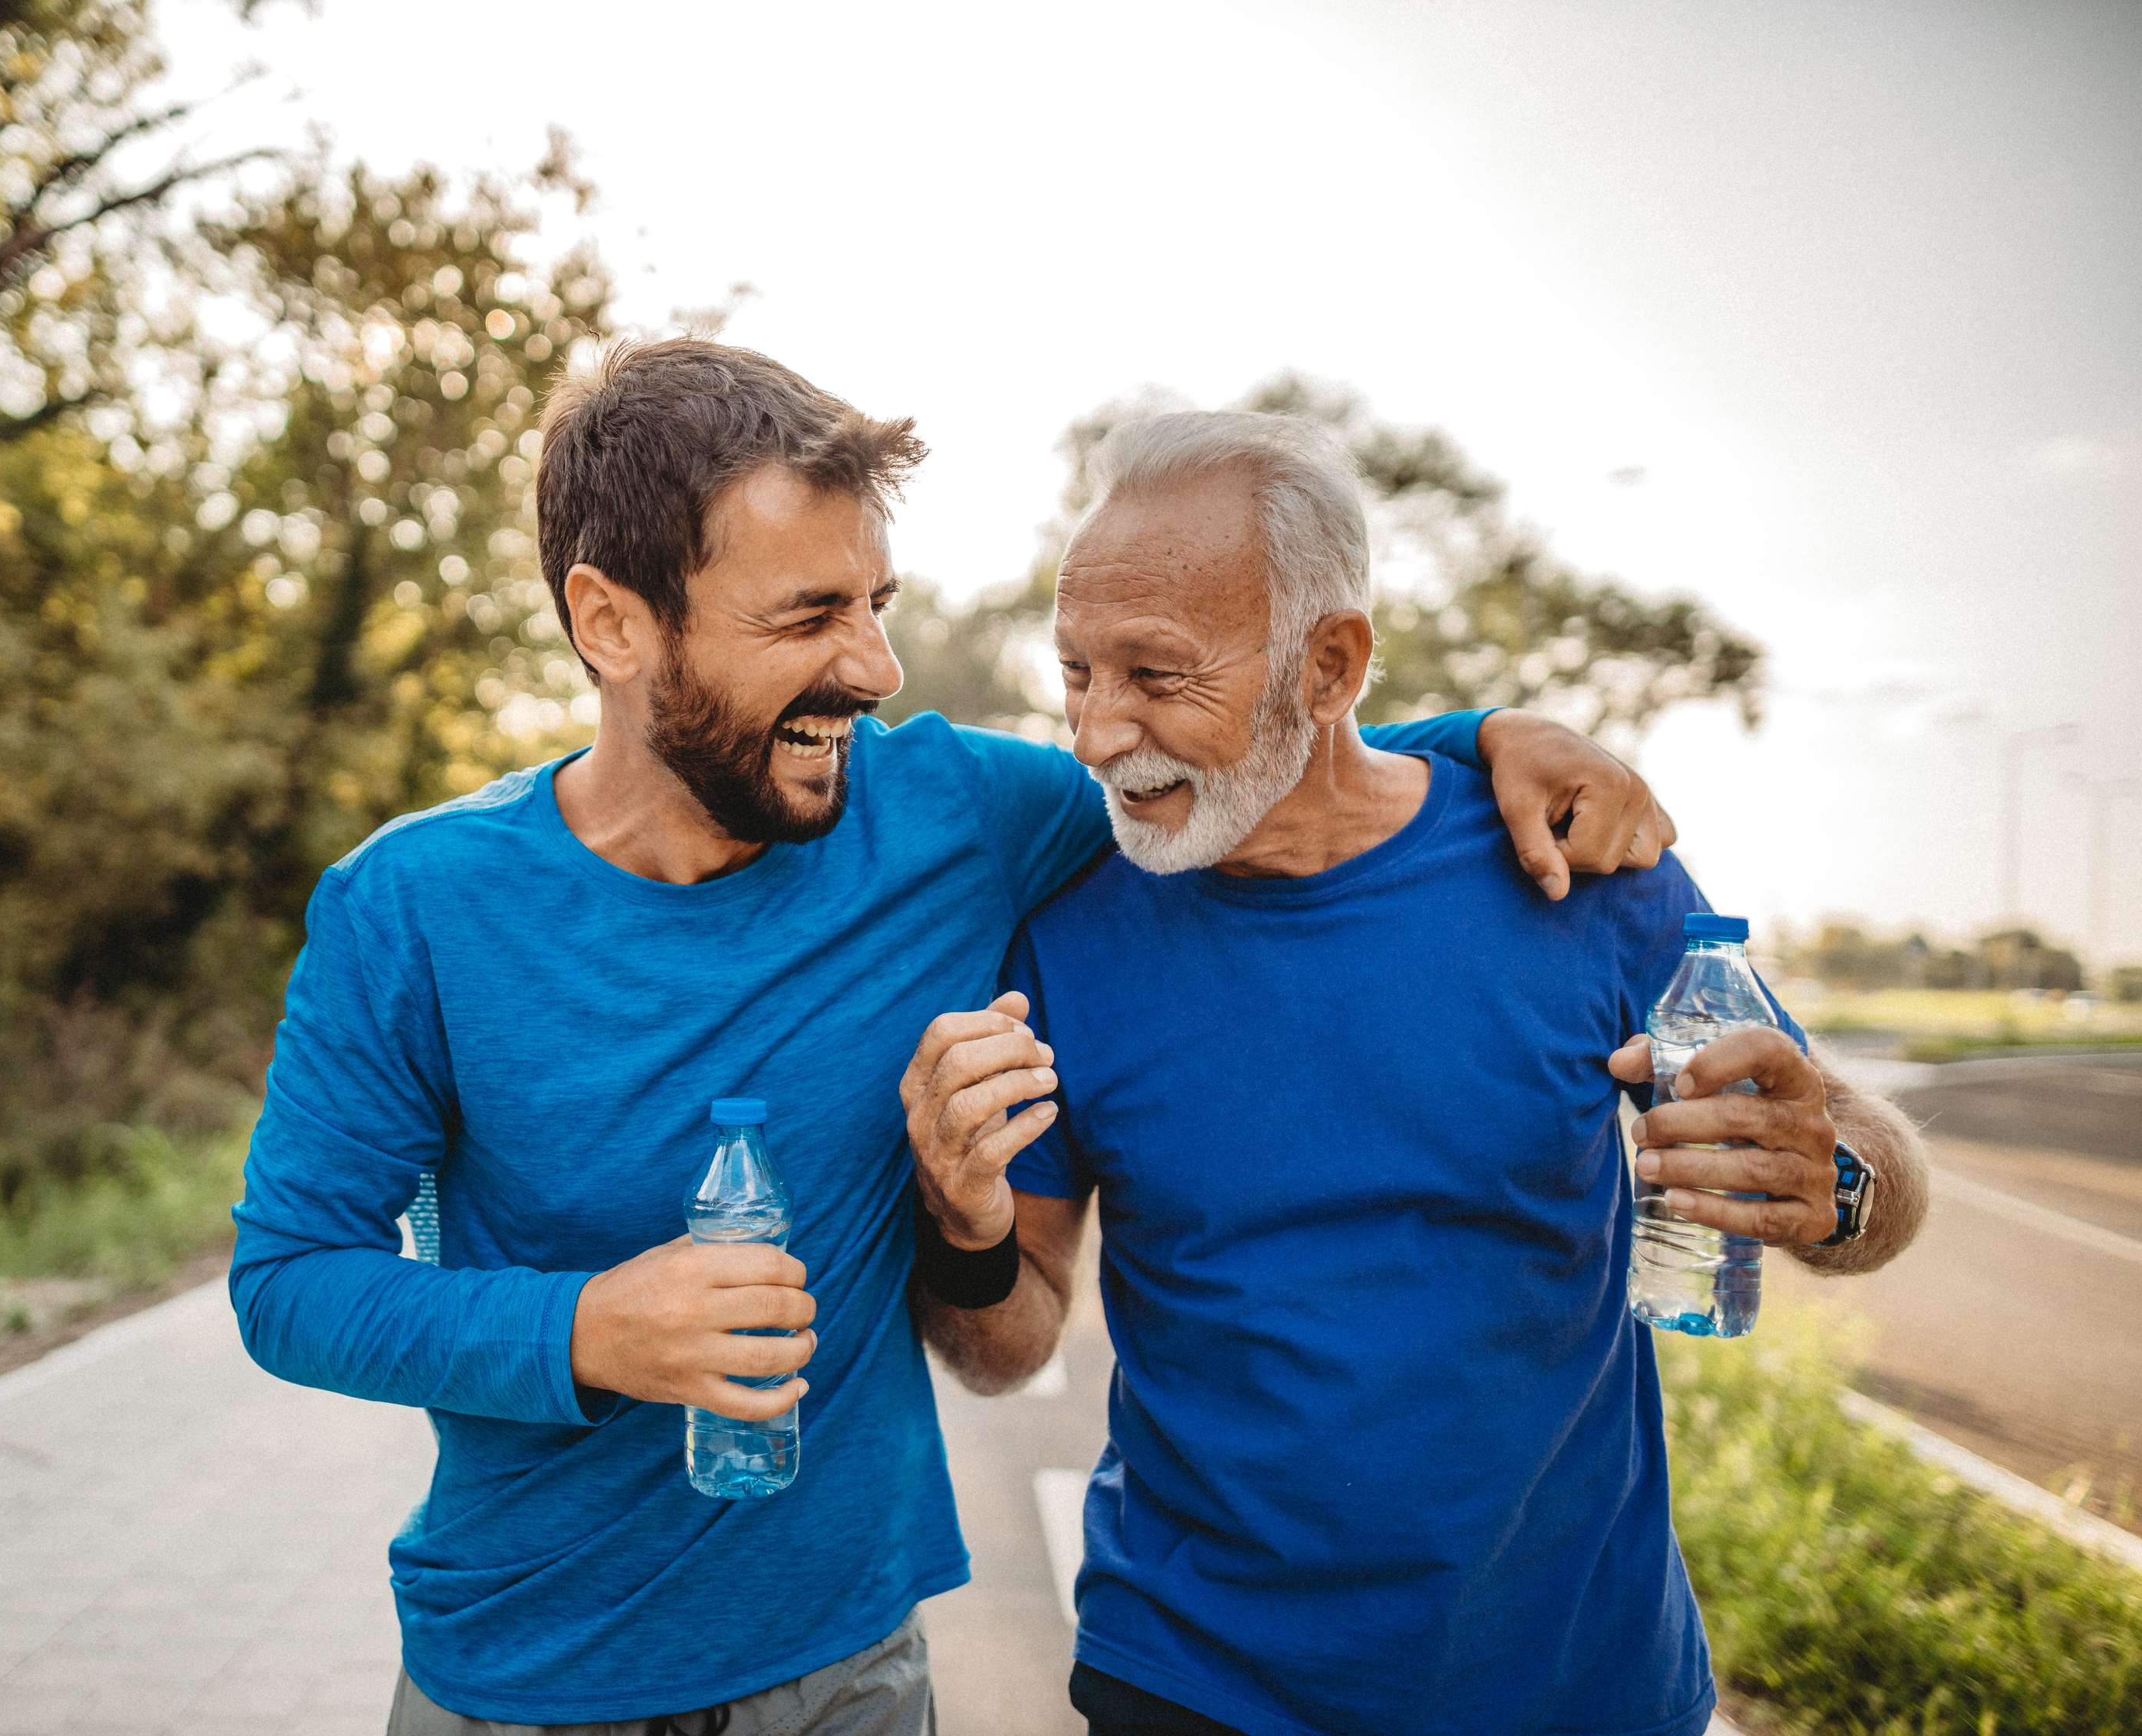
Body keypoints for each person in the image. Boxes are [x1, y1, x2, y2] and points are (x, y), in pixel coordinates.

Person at [229, 342, 1679, 1735]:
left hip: (844, 1671)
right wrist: (584, 1330)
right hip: (518, 1668)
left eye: (877, 601)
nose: (875, 667)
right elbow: (289, 1282)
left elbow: (1249, 758)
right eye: (807, 618)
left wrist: (1490, 738)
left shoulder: (955, 820)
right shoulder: (410, 909)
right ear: (612, 623)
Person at [900, 408, 1928, 1736]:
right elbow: (1008, 1342)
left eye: (1156, 676)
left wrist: (1834, 1186)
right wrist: (967, 1229)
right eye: (1077, 672)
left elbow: (1865, 1179)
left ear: (1330, 667)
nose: (1099, 732)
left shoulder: (1577, 871)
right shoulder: (1068, 930)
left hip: (1581, 1685)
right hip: (1194, 1684)